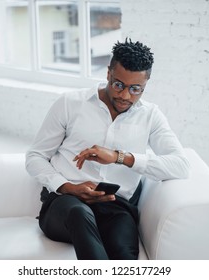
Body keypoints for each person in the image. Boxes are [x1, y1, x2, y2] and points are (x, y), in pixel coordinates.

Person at [25, 38, 190, 260]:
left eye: (135, 89)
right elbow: (35, 156)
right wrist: (67, 187)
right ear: (108, 74)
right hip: (65, 204)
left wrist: (118, 157)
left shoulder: (151, 116)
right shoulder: (70, 103)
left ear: (146, 85)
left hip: (116, 208)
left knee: (125, 259)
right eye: (118, 84)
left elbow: (180, 166)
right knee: (78, 213)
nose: (124, 95)